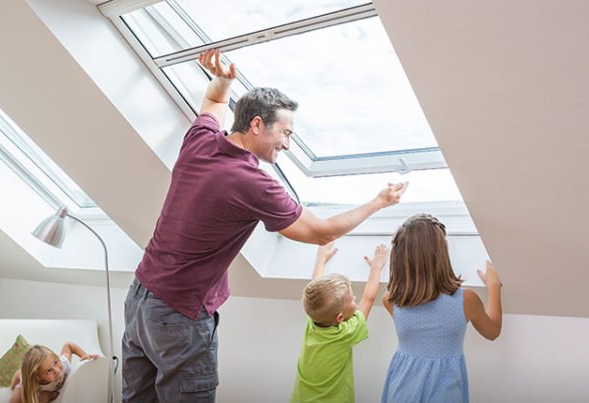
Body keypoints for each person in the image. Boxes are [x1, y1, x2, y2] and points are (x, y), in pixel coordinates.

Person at [122, 49, 408, 403]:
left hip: (140, 298)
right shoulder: (252, 181)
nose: (288, 143)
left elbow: (212, 100)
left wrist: (223, 81)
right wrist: (379, 202)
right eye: (285, 133)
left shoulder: (200, 140)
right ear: (256, 124)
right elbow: (322, 232)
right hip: (178, 314)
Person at [380, 214, 502, 403]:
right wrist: (493, 286)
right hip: (445, 393)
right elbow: (492, 331)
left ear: (398, 257)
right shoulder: (466, 299)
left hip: (401, 390)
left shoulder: (391, 299)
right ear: (441, 254)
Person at [291, 241, 389, 403]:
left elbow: (314, 287)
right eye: (351, 300)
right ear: (340, 318)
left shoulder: (313, 320)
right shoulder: (345, 333)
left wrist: (321, 259)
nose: (355, 299)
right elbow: (368, 299)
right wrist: (376, 267)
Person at [9, 343, 99, 403]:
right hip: (27, 379)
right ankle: (16, 378)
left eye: (55, 362)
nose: (57, 370)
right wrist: (12, 388)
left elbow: (69, 345)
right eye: (48, 371)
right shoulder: (30, 382)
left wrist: (84, 355)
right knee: (19, 382)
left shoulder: (64, 364)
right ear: (39, 377)